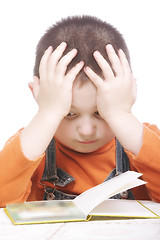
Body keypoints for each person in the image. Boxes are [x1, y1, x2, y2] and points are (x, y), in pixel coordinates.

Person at [1, 15, 160, 207]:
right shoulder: (30, 145)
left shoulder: (142, 141)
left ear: (128, 92)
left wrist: (121, 115)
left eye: (101, 113)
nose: (86, 130)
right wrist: (47, 113)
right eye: (68, 113)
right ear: (39, 95)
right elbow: (4, 202)